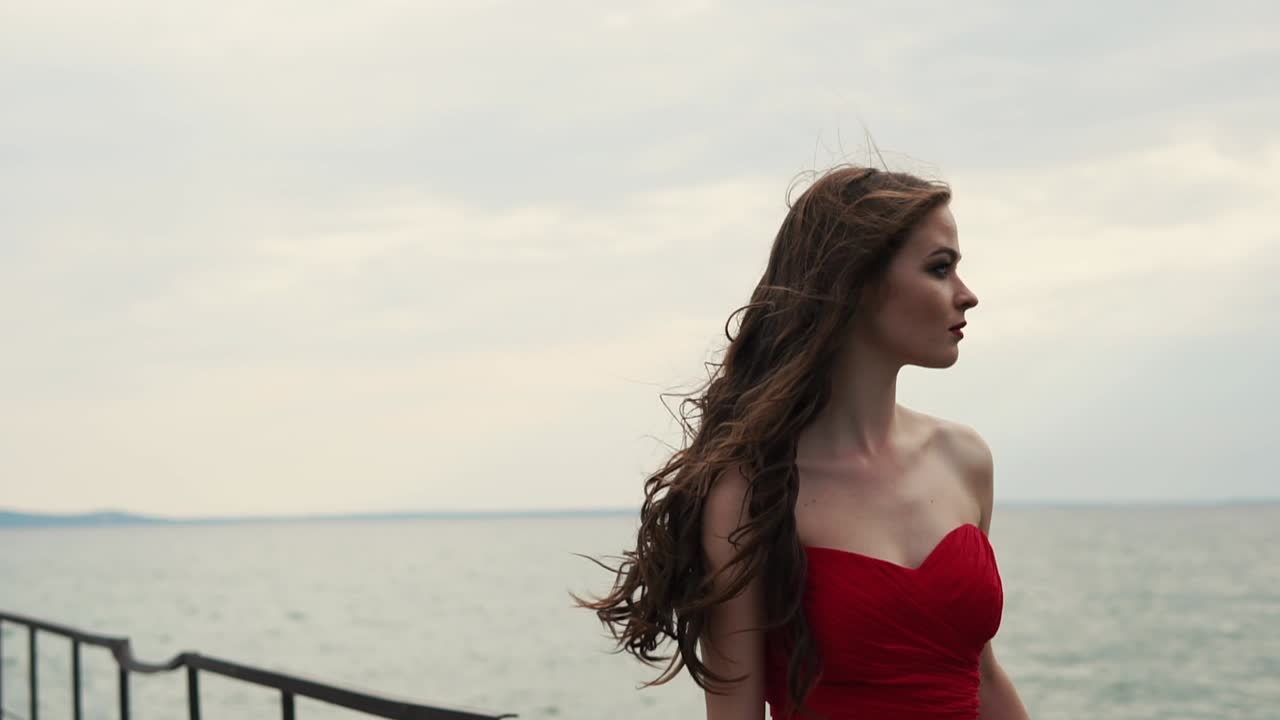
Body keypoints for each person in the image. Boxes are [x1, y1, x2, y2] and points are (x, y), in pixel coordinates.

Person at [575, 164, 1031, 719]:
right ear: (856, 284)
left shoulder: (965, 460)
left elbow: (979, 674)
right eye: (940, 269)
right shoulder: (749, 492)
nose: (967, 295)